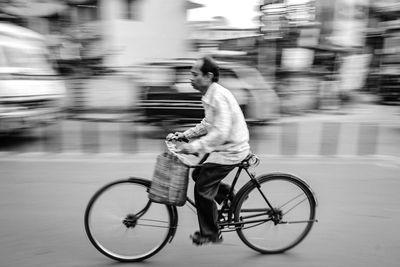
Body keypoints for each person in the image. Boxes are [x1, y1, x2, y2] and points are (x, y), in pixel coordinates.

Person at [166, 56, 250, 245]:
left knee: (202, 187)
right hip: (224, 147)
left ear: (208, 76)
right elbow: (208, 124)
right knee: (198, 174)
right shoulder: (210, 94)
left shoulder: (218, 96)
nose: (191, 78)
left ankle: (211, 233)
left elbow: (220, 133)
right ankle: (231, 198)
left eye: (195, 74)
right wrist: (186, 135)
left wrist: (193, 147)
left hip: (232, 149)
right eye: (191, 74)